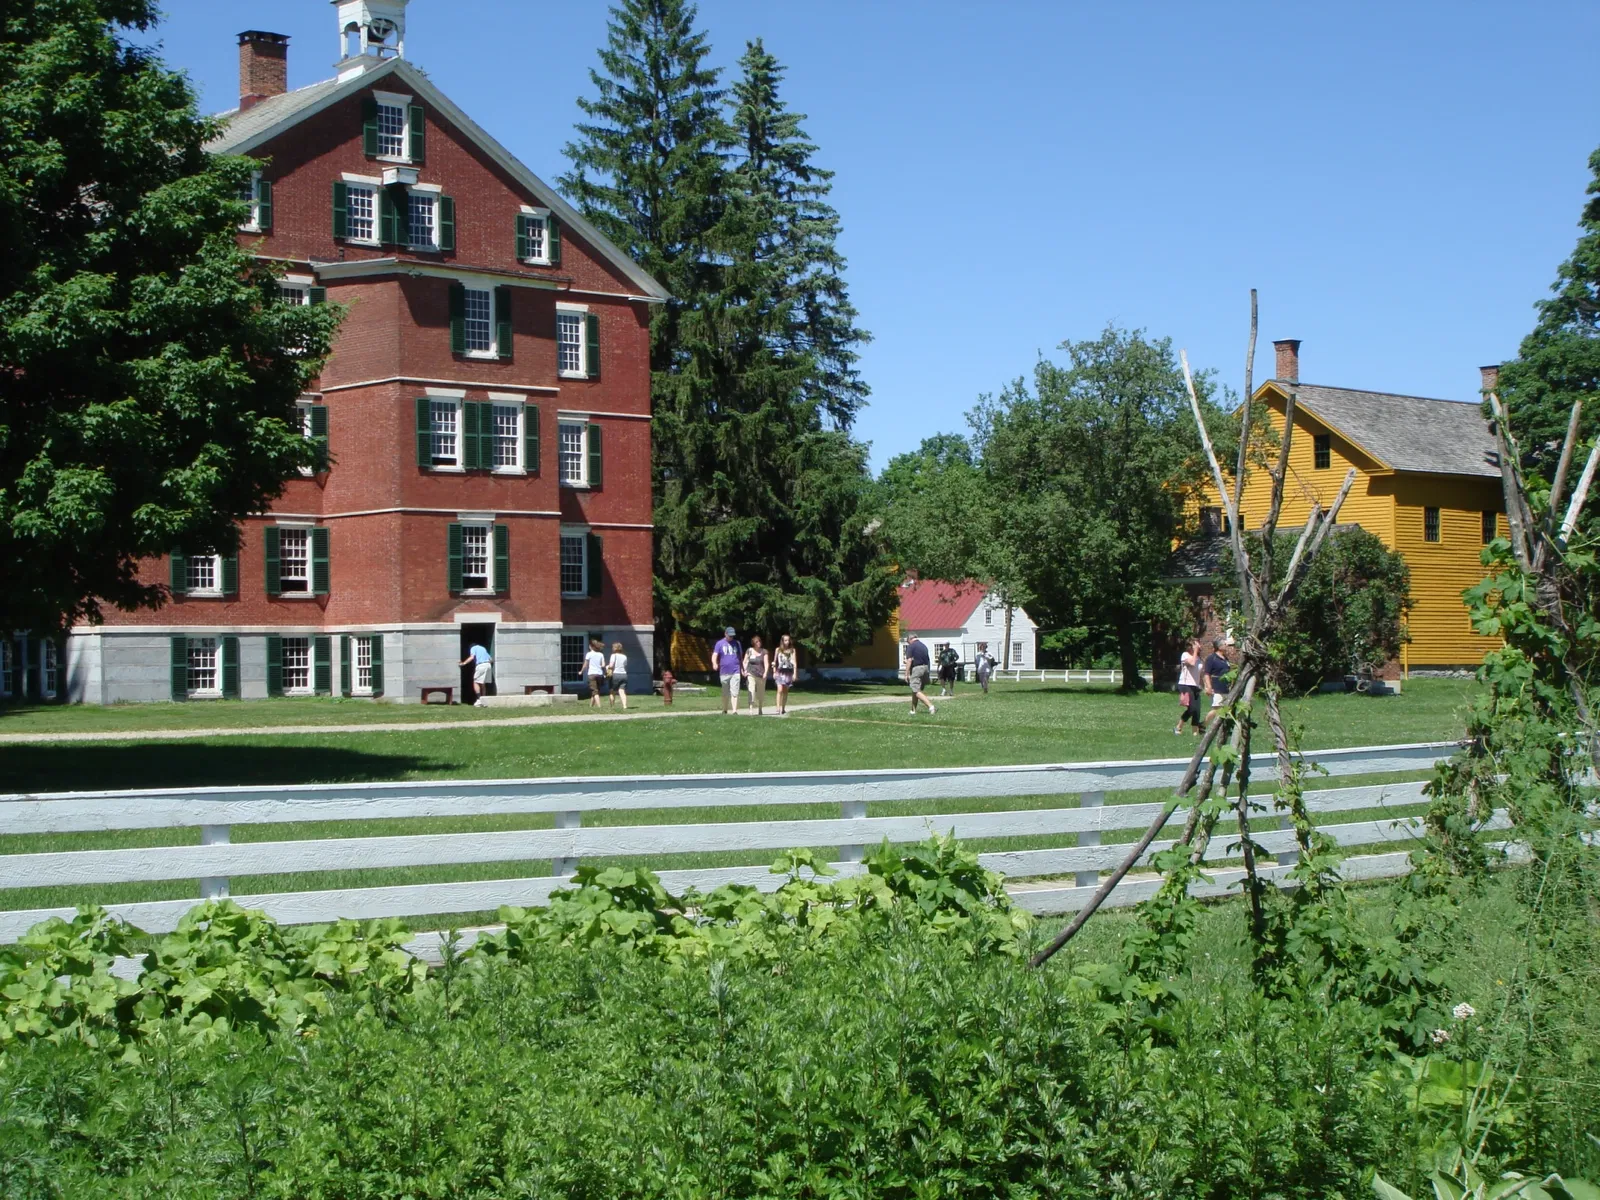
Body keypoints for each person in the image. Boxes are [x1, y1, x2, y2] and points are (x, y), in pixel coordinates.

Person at [711, 626, 743, 714]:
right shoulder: (719, 643)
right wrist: (714, 663)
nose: (731, 637)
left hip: (735, 671)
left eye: (732, 636)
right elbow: (714, 655)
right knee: (725, 693)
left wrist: (742, 669)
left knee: (734, 691)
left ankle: (734, 711)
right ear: (725, 634)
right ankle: (725, 709)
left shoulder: (737, 643)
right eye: (730, 636)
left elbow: (740, 657)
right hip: (724, 672)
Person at [1175, 637, 1203, 734]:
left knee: (1197, 710)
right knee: (1191, 708)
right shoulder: (1185, 655)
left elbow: (1200, 672)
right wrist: (1195, 651)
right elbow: (1192, 663)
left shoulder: (1199, 657)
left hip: (1195, 686)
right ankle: (1178, 727)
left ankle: (1195, 732)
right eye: (1197, 644)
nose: (1199, 646)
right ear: (1191, 646)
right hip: (1186, 684)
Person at [904, 634, 936, 715]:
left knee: (916, 690)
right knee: (915, 690)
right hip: (925, 668)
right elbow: (927, 659)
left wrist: (906, 673)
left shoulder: (911, 646)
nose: (908, 643)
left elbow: (909, 660)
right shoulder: (923, 646)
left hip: (917, 669)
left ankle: (930, 706)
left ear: (910, 639)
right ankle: (913, 710)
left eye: (908, 642)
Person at [1202, 638, 1231, 724]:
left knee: (1224, 708)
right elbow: (1206, 673)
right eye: (1224, 644)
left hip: (1225, 687)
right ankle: (1203, 724)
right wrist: (1209, 687)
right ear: (1219, 647)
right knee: (1216, 708)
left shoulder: (1225, 659)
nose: (1226, 645)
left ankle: (1220, 725)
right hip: (1216, 687)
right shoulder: (1212, 658)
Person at [743, 635, 771, 716]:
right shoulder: (749, 650)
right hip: (751, 673)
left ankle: (760, 709)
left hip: (761, 675)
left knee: (761, 693)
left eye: (759, 641)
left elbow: (766, 663)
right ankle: (751, 709)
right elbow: (745, 661)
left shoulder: (764, 651)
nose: (758, 643)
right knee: (751, 690)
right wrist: (745, 670)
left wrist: (765, 673)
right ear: (753, 643)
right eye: (756, 642)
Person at [772, 633, 798, 715]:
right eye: (785, 640)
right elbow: (774, 662)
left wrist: (795, 673)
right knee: (779, 689)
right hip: (780, 671)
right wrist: (774, 671)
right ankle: (777, 707)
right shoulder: (778, 650)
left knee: (785, 691)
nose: (787, 642)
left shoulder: (792, 650)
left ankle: (783, 708)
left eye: (788, 640)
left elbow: (794, 663)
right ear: (782, 641)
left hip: (788, 672)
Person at [583, 637, 608, 708]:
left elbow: (585, 664)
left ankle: (599, 706)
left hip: (592, 674)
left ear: (591, 646)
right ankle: (590, 706)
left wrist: (581, 671)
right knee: (596, 691)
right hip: (600, 674)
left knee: (594, 691)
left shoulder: (589, 654)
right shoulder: (601, 654)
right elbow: (603, 665)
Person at [607, 641, 629, 710]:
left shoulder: (613, 655)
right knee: (622, 691)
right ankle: (625, 706)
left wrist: (607, 667)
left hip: (615, 674)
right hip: (624, 674)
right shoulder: (624, 656)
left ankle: (612, 706)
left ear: (615, 648)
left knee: (612, 691)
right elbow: (625, 665)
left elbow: (611, 665)